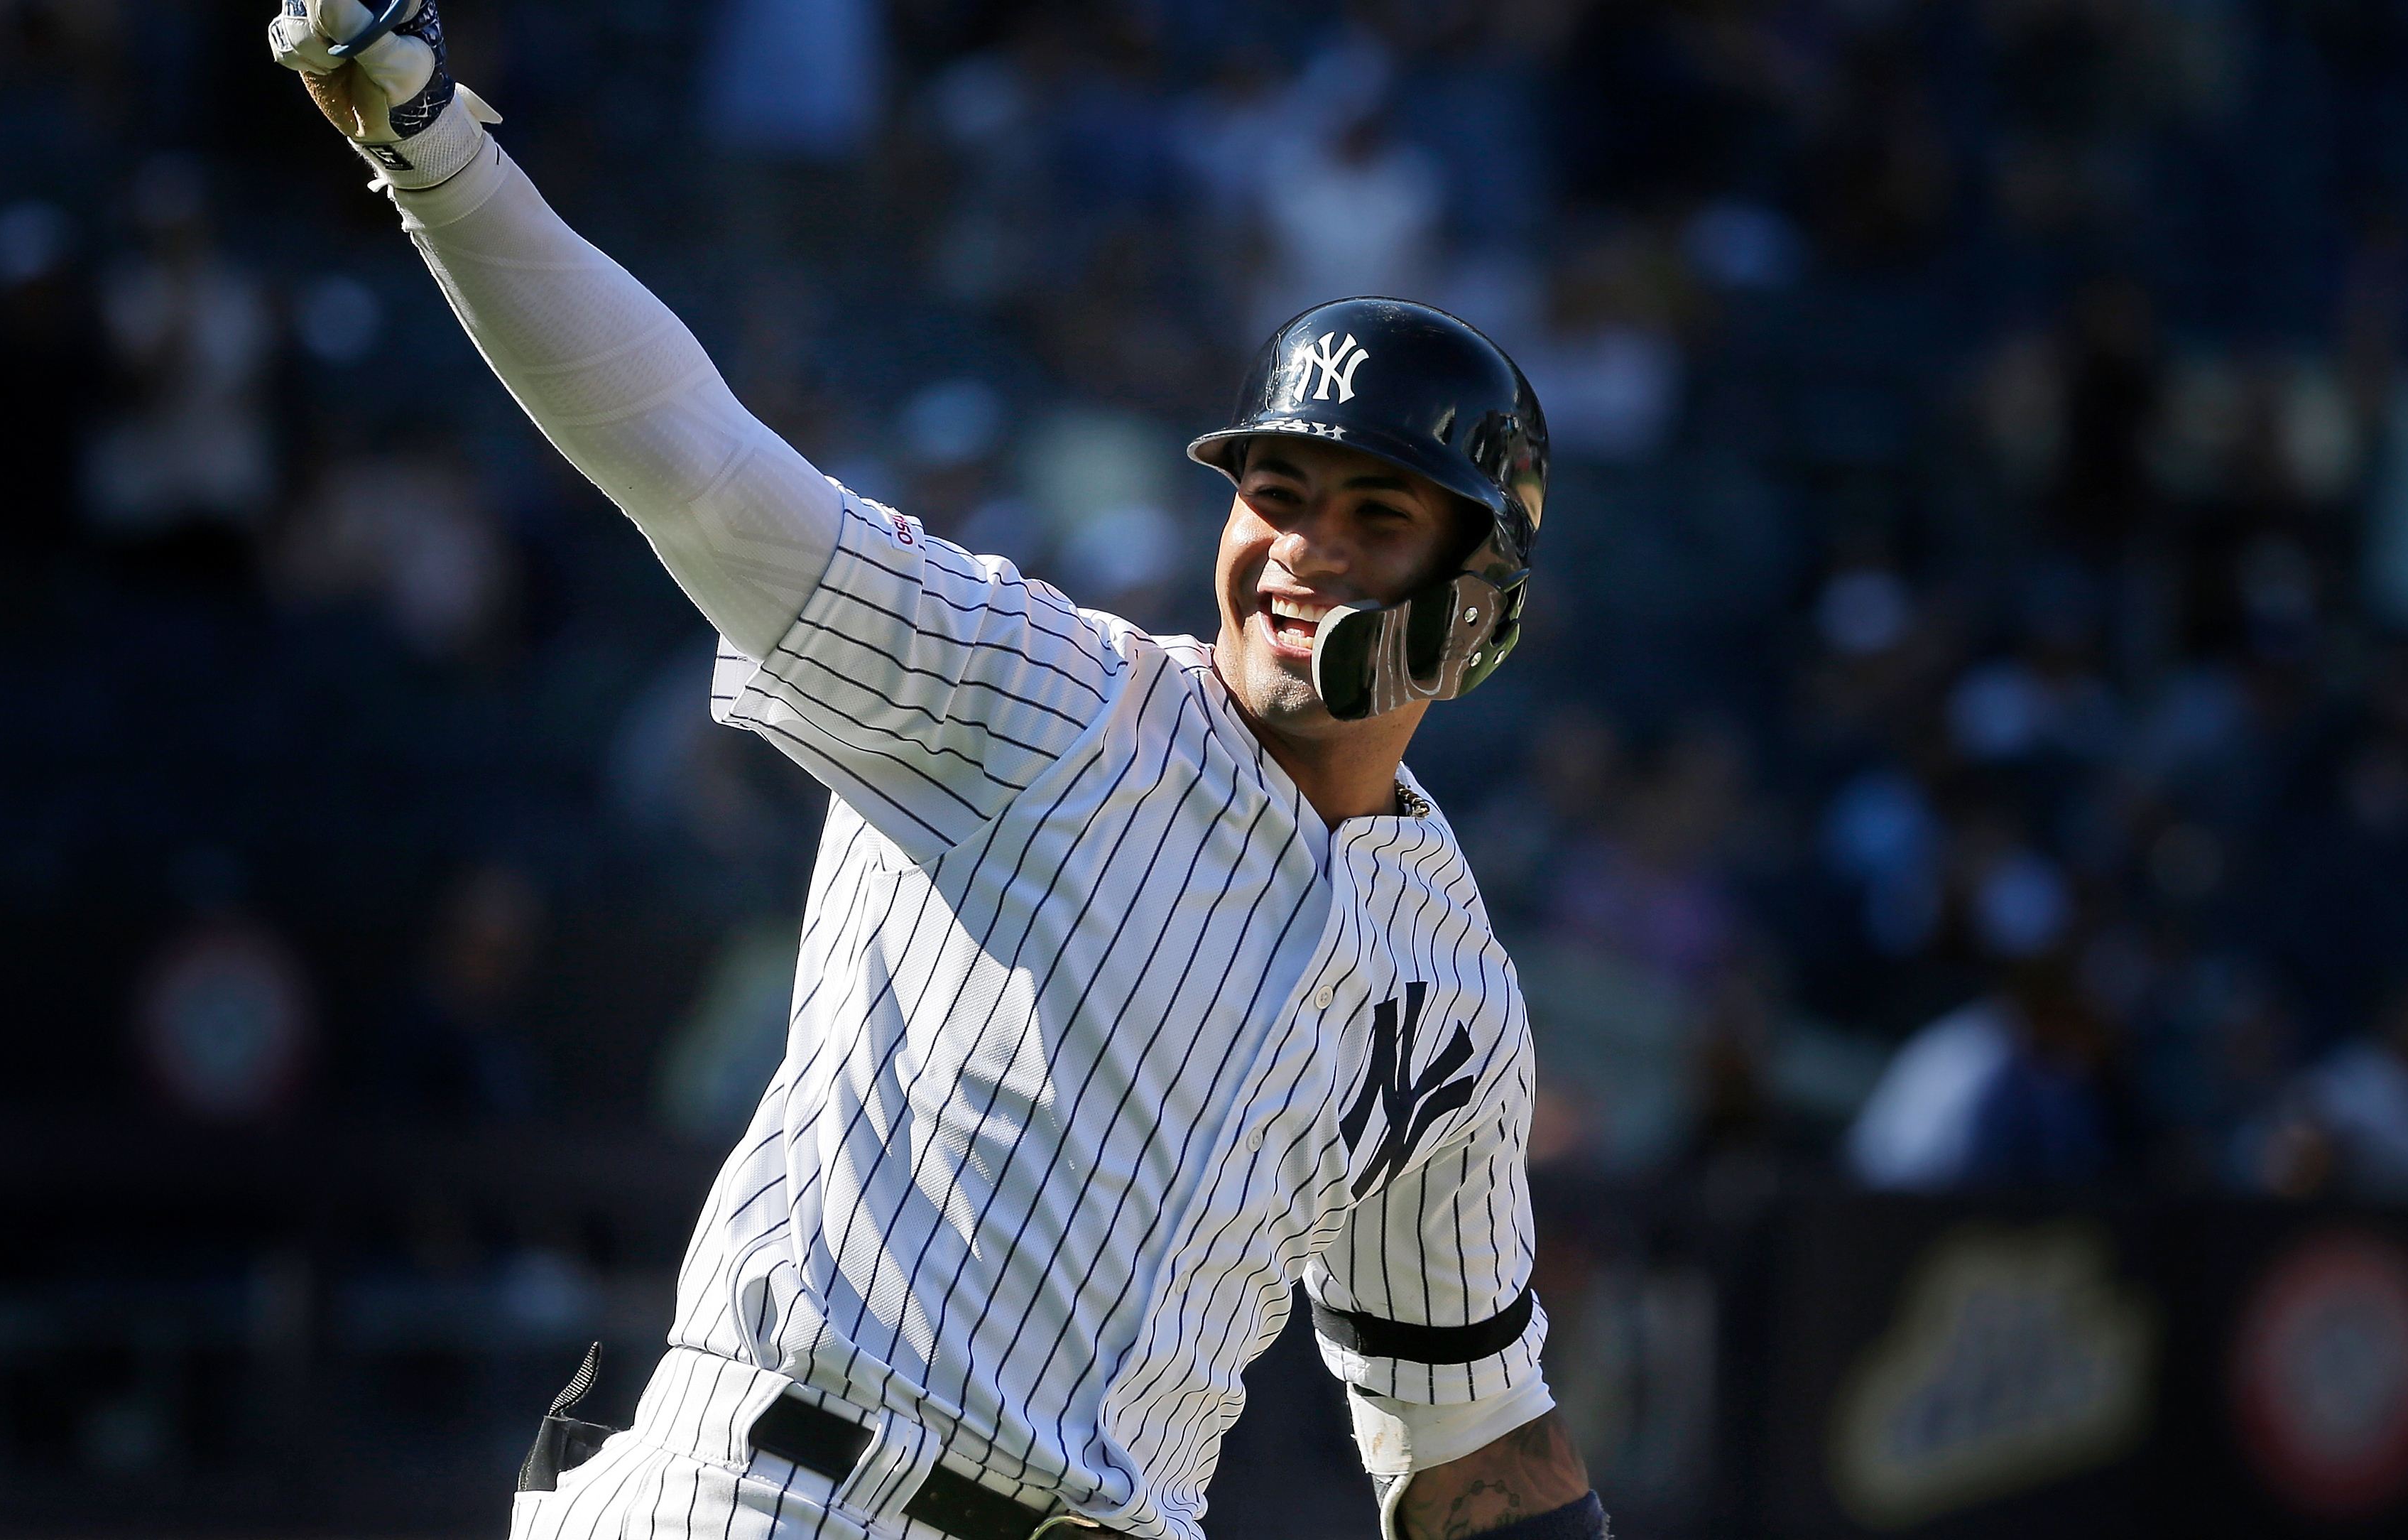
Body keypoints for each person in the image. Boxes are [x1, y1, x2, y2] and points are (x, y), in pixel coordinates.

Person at [267, 6, 1606, 1539]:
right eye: (1275, 492)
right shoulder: (1037, 695)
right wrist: (436, 156)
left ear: (1481, 603)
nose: (1301, 549)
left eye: (1377, 517)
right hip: (775, 1493)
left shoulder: (1448, 991)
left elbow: (1470, 1441)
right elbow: (691, 457)